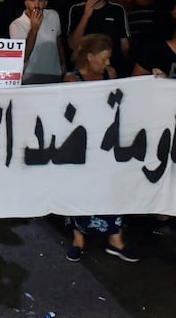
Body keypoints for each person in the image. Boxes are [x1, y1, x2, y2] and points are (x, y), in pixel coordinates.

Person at [63, 34, 139, 263]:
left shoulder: (111, 74)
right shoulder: (72, 80)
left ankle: (116, 241)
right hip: (81, 145)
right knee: (80, 190)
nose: (108, 63)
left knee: (112, 189)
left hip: (108, 144)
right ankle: (78, 240)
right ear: (90, 56)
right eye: (104, 58)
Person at [67, 0, 131, 74]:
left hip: (113, 68)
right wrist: (86, 15)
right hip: (85, 70)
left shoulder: (117, 10)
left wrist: (127, 67)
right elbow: (73, 45)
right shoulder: (76, 9)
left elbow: (124, 44)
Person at [9, 0, 66, 84]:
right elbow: (23, 56)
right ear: (26, 3)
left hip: (53, 74)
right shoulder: (16, 25)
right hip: (30, 77)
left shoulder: (53, 15)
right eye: (32, 0)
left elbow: (58, 41)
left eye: (40, 0)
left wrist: (62, 62)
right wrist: (34, 29)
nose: (36, 4)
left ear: (45, 3)